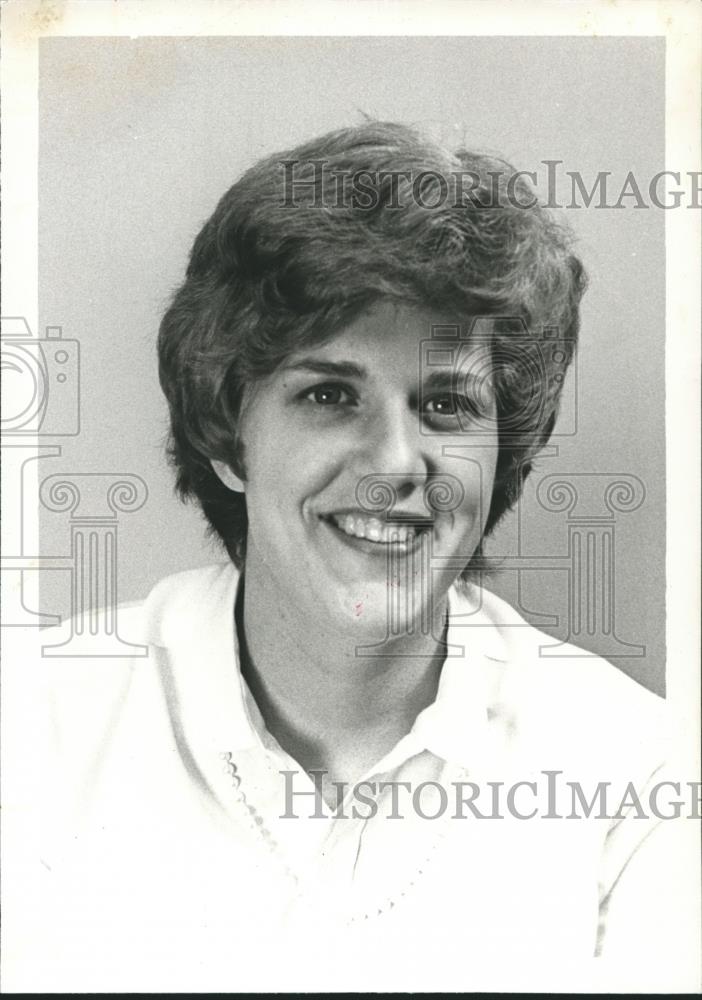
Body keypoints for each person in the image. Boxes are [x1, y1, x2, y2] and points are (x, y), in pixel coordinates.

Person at [18, 122, 694, 992]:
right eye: (329, 395)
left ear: (501, 457)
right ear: (228, 434)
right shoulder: (34, 725)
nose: (392, 464)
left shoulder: (639, 776)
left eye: (446, 406)